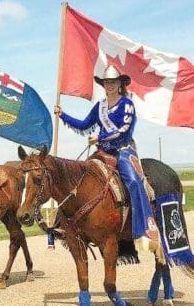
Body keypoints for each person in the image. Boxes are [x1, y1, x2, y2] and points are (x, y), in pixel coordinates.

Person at [54, 65, 160, 249]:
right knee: (77, 178)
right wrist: (63, 115)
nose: (110, 85)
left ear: (120, 84)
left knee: (134, 182)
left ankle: (144, 227)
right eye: (107, 82)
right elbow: (84, 124)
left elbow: (123, 130)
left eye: (113, 82)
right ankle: (63, 225)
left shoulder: (127, 104)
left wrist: (99, 137)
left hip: (123, 150)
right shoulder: (100, 106)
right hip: (102, 151)